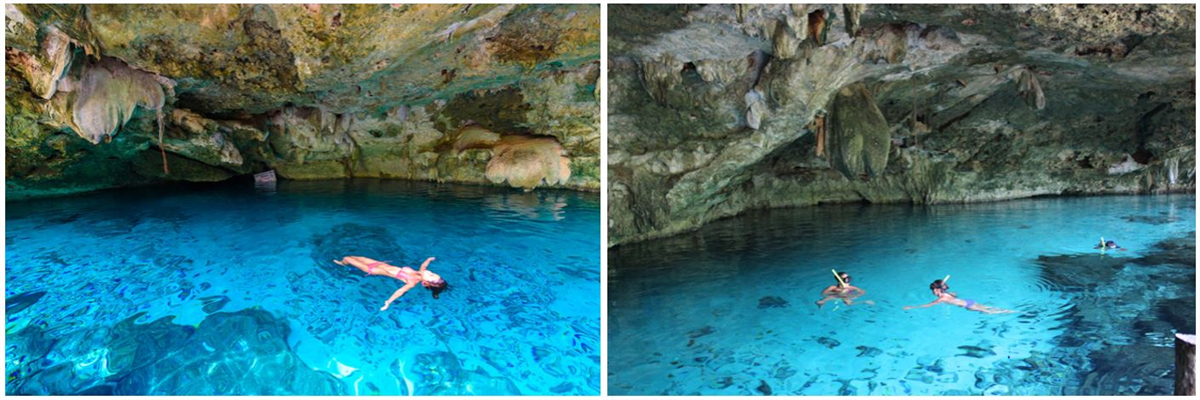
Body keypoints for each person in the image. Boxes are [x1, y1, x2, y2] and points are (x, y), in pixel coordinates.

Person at [333, 256, 448, 310]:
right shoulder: (421, 272)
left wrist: (388, 302)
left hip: (372, 270)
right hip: (378, 263)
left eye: (431, 275)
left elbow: (400, 291)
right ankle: (343, 262)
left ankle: (342, 263)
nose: (431, 272)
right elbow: (424, 266)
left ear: (425, 283)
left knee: (347, 258)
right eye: (433, 273)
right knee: (353, 257)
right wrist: (428, 259)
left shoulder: (412, 282)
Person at [903, 279, 1013, 314]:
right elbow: (955, 294)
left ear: (936, 290)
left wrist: (912, 307)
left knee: (991, 312)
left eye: (933, 291)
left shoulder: (942, 298)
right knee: (989, 308)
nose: (933, 293)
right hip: (968, 301)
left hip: (968, 305)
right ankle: (1010, 311)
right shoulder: (948, 294)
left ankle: (1013, 312)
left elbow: (928, 305)